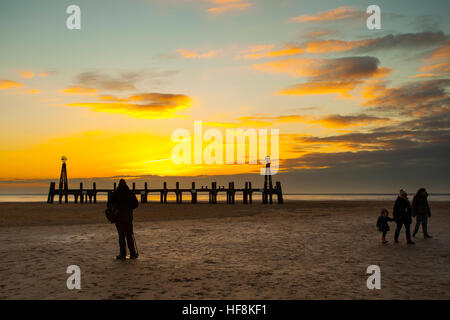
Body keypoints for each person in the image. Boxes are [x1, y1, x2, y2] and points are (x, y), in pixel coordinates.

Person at [107, 179, 139, 259]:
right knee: (129, 235)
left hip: (118, 217)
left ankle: (123, 254)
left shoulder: (116, 193)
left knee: (121, 235)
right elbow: (135, 204)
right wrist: (129, 207)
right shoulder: (129, 193)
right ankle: (132, 253)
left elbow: (108, 204)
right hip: (128, 217)